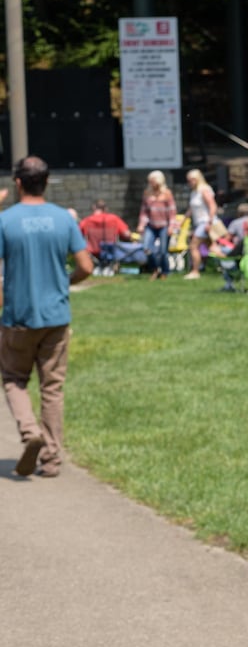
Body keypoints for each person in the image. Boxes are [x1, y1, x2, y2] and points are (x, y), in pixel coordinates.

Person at [1, 156, 93, 478]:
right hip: (56, 316)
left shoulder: (5, 221)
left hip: (18, 316)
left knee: (13, 379)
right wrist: (64, 284)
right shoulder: (63, 219)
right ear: (47, 181)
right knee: (52, 388)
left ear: (18, 183)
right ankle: (51, 459)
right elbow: (86, 266)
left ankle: (30, 432)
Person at [136, 169, 177, 280]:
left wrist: (171, 226)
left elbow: (172, 212)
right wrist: (141, 224)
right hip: (151, 225)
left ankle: (165, 271)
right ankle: (155, 269)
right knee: (146, 248)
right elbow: (144, 211)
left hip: (164, 225)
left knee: (163, 251)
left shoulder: (167, 193)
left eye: (153, 181)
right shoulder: (147, 193)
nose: (151, 183)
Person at [77, 199, 134, 270]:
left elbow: (76, 235)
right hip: (110, 250)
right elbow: (127, 234)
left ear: (94, 208)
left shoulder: (87, 220)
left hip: (92, 252)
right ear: (106, 208)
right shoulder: (114, 219)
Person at [183, 168, 217, 280]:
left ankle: (195, 271)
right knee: (212, 247)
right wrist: (183, 220)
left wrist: (209, 222)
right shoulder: (194, 192)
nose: (190, 182)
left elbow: (213, 206)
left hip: (205, 222)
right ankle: (229, 266)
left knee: (193, 246)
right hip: (200, 223)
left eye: (192, 180)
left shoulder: (204, 190)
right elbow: (192, 208)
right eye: (188, 180)